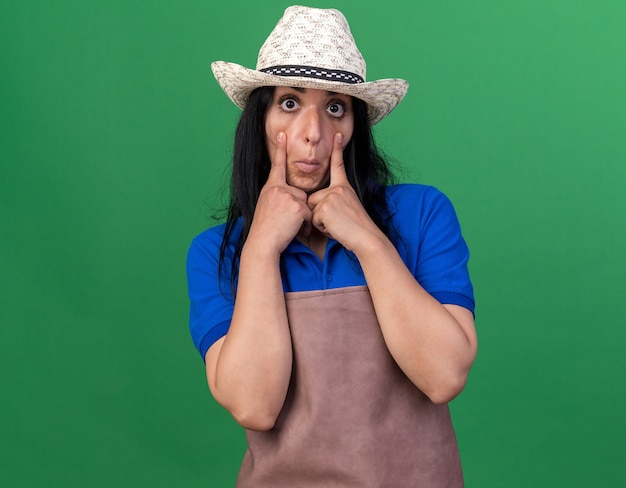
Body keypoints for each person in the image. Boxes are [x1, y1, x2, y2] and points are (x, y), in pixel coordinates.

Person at [187, 6, 477, 487]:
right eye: (289, 103)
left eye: (336, 107)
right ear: (259, 119)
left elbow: (444, 375)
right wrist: (260, 246)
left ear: (355, 125)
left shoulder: (422, 214)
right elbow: (254, 406)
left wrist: (364, 236)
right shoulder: (217, 252)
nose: (313, 134)